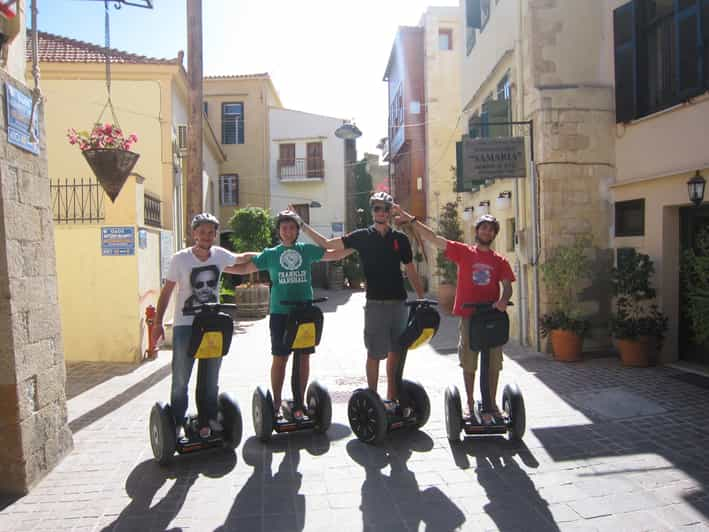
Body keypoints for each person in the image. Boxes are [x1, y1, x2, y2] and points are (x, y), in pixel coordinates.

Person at [299, 192, 425, 411]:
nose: (381, 212)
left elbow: (411, 270)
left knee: (397, 351)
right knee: (375, 353)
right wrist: (302, 225)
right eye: (377, 208)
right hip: (375, 304)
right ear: (372, 211)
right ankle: (373, 400)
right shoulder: (362, 237)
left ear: (390, 211)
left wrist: (422, 298)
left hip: (399, 303)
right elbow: (329, 244)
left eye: (385, 209)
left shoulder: (400, 239)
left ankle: (392, 398)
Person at [226, 210, 353, 418]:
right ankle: (276, 403)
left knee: (303, 357)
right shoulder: (271, 254)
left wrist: (356, 246)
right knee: (280, 357)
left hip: (304, 312)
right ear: (279, 231)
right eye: (284, 228)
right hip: (280, 313)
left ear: (296, 231)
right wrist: (218, 265)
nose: (288, 231)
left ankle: (300, 402)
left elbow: (334, 254)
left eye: (292, 227)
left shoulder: (306, 251)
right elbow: (243, 268)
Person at [395, 206, 514, 422]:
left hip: (492, 316)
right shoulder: (465, 252)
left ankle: (492, 404)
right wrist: (412, 219)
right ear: (477, 231)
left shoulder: (500, 261)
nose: (487, 232)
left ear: (494, 234)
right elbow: (434, 238)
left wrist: (503, 300)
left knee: (494, 363)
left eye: (491, 230)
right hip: (470, 316)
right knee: (469, 361)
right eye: (483, 228)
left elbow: (507, 285)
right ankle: (469, 403)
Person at [151, 212, 252, 440]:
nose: (206, 236)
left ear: (215, 235)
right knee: (180, 379)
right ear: (194, 233)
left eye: (211, 232)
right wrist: (158, 323)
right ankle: (176, 422)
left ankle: (206, 420)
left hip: (212, 325)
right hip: (186, 325)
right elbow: (167, 292)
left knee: (210, 378)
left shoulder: (219, 255)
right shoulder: (181, 258)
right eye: (202, 231)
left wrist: (271, 254)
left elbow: (243, 259)